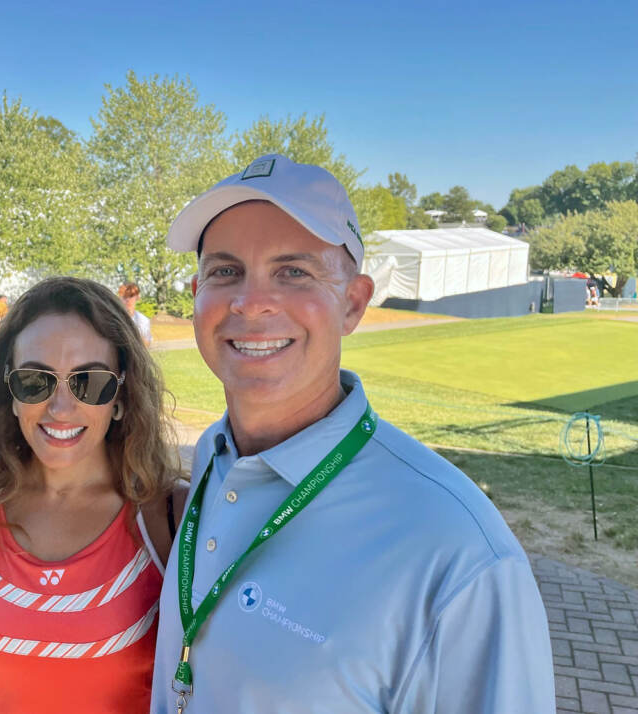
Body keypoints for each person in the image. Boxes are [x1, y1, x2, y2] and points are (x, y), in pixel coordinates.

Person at [150, 154, 555, 713]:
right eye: (225, 272)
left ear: (355, 303)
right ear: (197, 295)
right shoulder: (214, 459)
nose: (250, 301)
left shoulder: (460, 551)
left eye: (294, 271)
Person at [0, 277, 185, 714]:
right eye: (35, 381)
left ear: (119, 395)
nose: (60, 408)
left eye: (90, 381)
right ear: (10, 393)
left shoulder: (169, 518)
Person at [118, 283, 153, 347]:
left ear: (137, 297)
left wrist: (137, 336)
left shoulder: (143, 321)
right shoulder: (113, 318)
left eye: (131, 296)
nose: (128, 300)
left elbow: (147, 344)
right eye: (125, 297)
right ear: (119, 297)